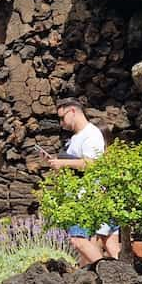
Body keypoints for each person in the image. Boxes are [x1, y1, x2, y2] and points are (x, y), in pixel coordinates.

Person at [45, 98, 110, 266]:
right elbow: (74, 165)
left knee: (78, 240)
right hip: (76, 195)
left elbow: (92, 163)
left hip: (86, 196)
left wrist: (63, 162)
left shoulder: (92, 134)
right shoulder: (75, 138)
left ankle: (108, 272)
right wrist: (56, 163)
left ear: (73, 111)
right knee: (84, 246)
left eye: (62, 117)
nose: (61, 123)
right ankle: (91, 277)